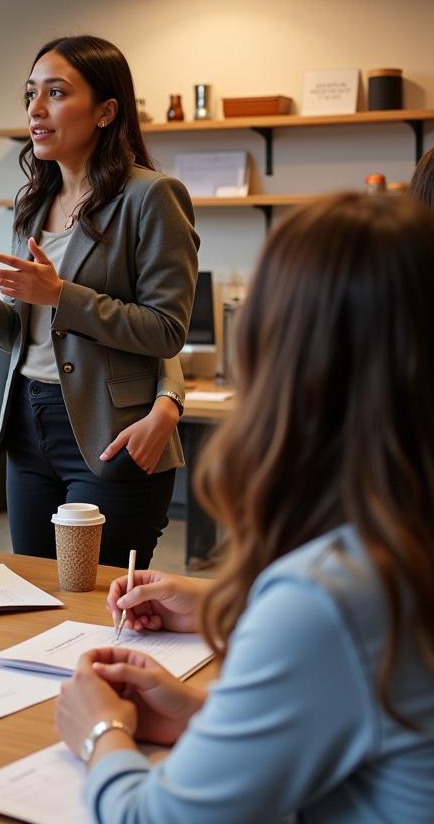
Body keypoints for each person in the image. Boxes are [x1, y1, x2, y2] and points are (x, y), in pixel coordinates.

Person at [56, 193, 434, 822]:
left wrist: (99, 733)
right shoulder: (398, 545)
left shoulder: (330, 595)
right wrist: (207, 716)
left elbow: (156, 818)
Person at [0, 36, 198, 567]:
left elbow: (165, 330)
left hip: (110, 431)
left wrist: (62, 295)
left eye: (56, 93)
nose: (35, 110)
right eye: (30, 95)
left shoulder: (151, 197)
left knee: (96, 600)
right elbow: (30, 336)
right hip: (27, 423)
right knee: (36, 589)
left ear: (107, 111)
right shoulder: (33, 202)